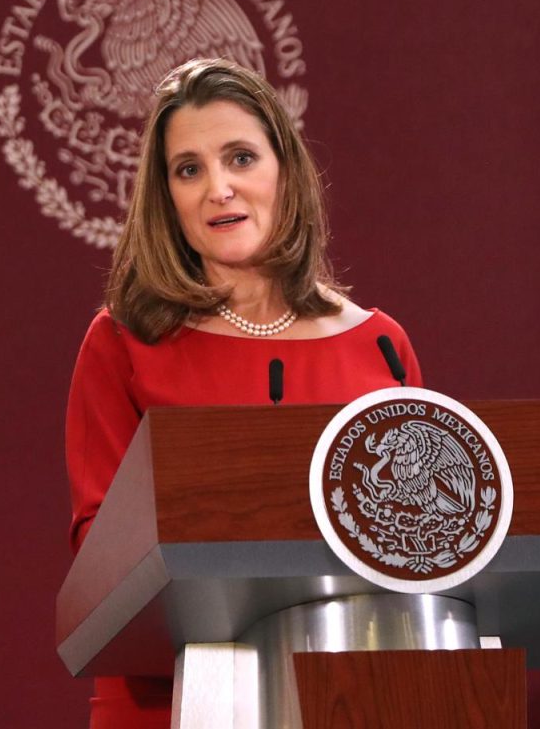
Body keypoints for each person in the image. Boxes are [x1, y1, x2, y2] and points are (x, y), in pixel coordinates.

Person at [64, 56, 422, 729]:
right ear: (165, 196)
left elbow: (429, 546)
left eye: (240, 157)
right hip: (172, 700)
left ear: (284, 171)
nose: (218, 188)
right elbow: (100, 555)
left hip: (357, 697)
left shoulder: (381, 345)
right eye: (189, 169)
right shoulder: (123, 342)